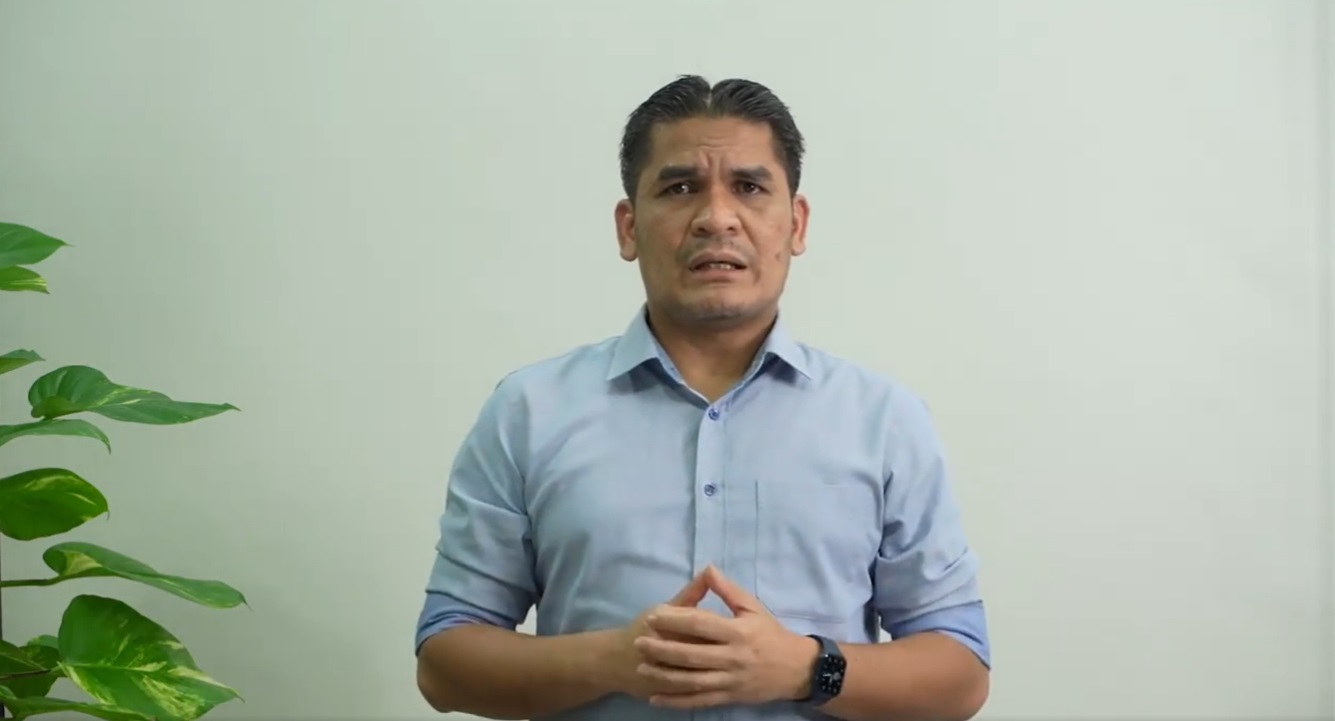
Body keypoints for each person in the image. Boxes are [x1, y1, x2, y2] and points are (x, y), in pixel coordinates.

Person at [414, 74, 992, 721]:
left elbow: (961, 671)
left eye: (749, 187)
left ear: (795, 223)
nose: (717, 217)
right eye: (680, 188)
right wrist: (610, 660)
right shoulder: (528, 411)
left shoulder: (883, 421)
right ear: (628, 227)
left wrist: (807, 667)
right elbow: (444, 661)